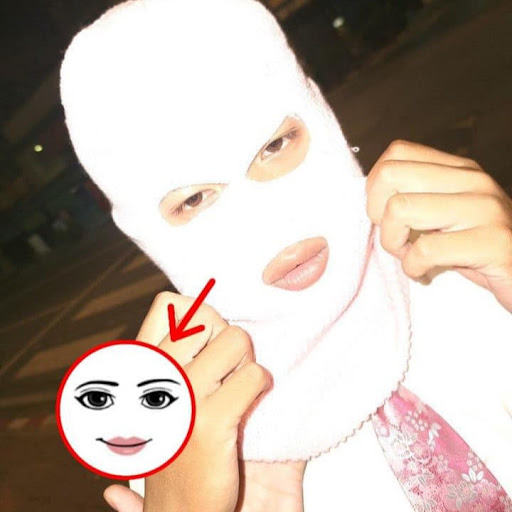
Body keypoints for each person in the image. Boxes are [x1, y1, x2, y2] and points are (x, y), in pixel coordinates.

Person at [59, 0, 512, 510]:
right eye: (195, 198)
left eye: (274, 145)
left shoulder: (472, 265)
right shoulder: (182, 476)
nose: (270, 222)